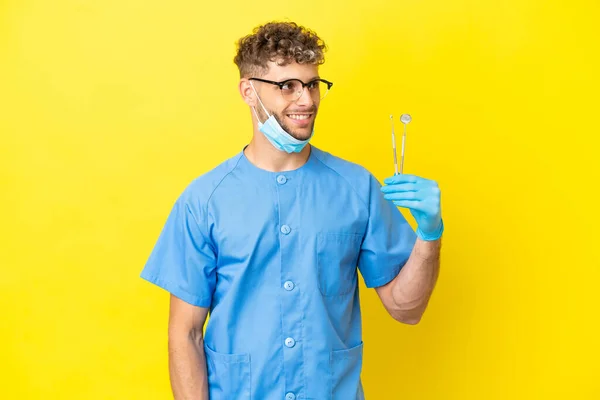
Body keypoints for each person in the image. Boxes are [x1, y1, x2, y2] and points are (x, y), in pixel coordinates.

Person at [140, 20, 444, 400]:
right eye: (288, 86)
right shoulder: (204, 200)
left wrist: (429, 234)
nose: (307, 100)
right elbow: (185, 334)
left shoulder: (356, 187)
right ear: (248, 92)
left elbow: (406, 309)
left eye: (313, 84)